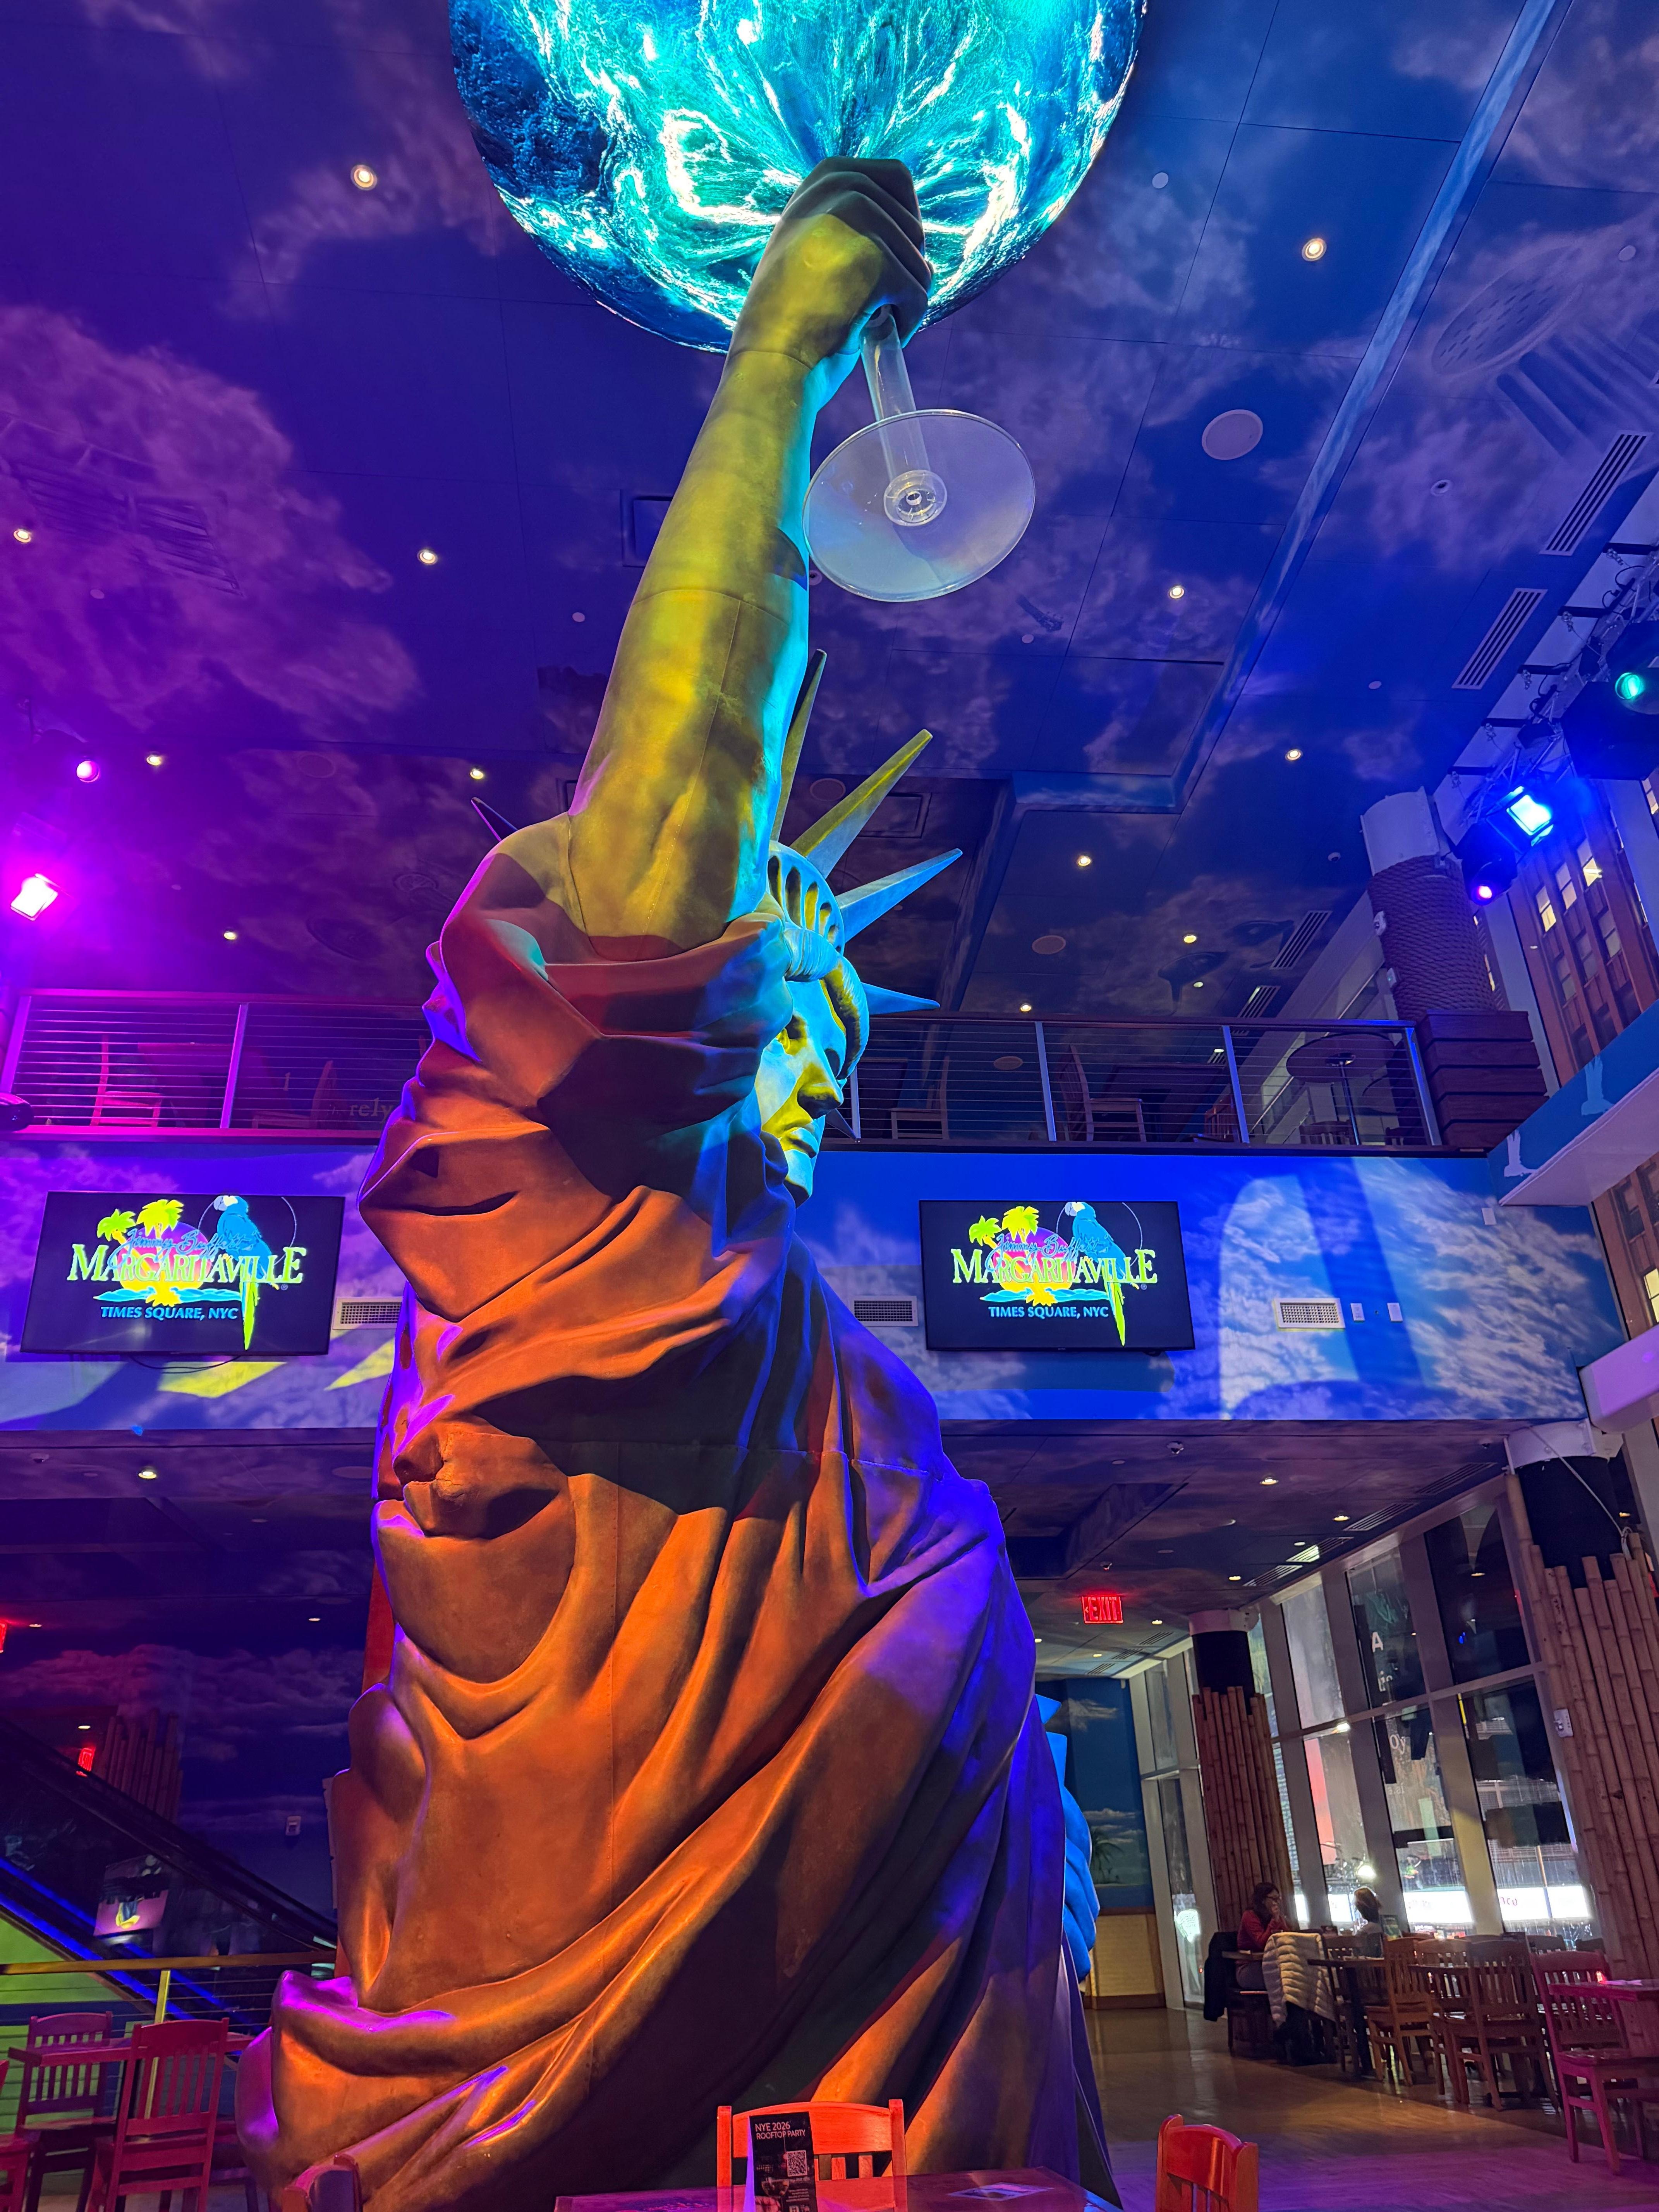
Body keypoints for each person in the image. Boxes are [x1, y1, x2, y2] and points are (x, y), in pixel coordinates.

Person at [238, 159, 1113, 2212]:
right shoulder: (568, 1158)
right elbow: (688, 765)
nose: (806, 1081)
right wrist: (778, 361)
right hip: (533, 1935)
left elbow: (960, 1674)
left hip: (890, 2087)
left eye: (829, 1057)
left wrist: (1038, 1814)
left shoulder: (784, 1328)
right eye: (787, 1011)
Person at [1237, 1882, 1290, 1951]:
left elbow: (1288, 1937)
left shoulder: (1273, 1914)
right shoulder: (1249, 1915)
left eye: (1278, 1899)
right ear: (1262, 1900)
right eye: (1274, 1899)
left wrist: (1280, 1919)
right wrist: (1275, 1920)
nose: (1278, 1902)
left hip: (1272, 1954)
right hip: (1251, 1956)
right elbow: (1262, 1944)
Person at [1351, 1885, 1385, 1954]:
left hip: (1370, 1961)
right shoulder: (1390, 1926)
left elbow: (1356, 1954)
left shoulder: (1364, 1932)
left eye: (1357, 1908)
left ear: (1362, 1909)